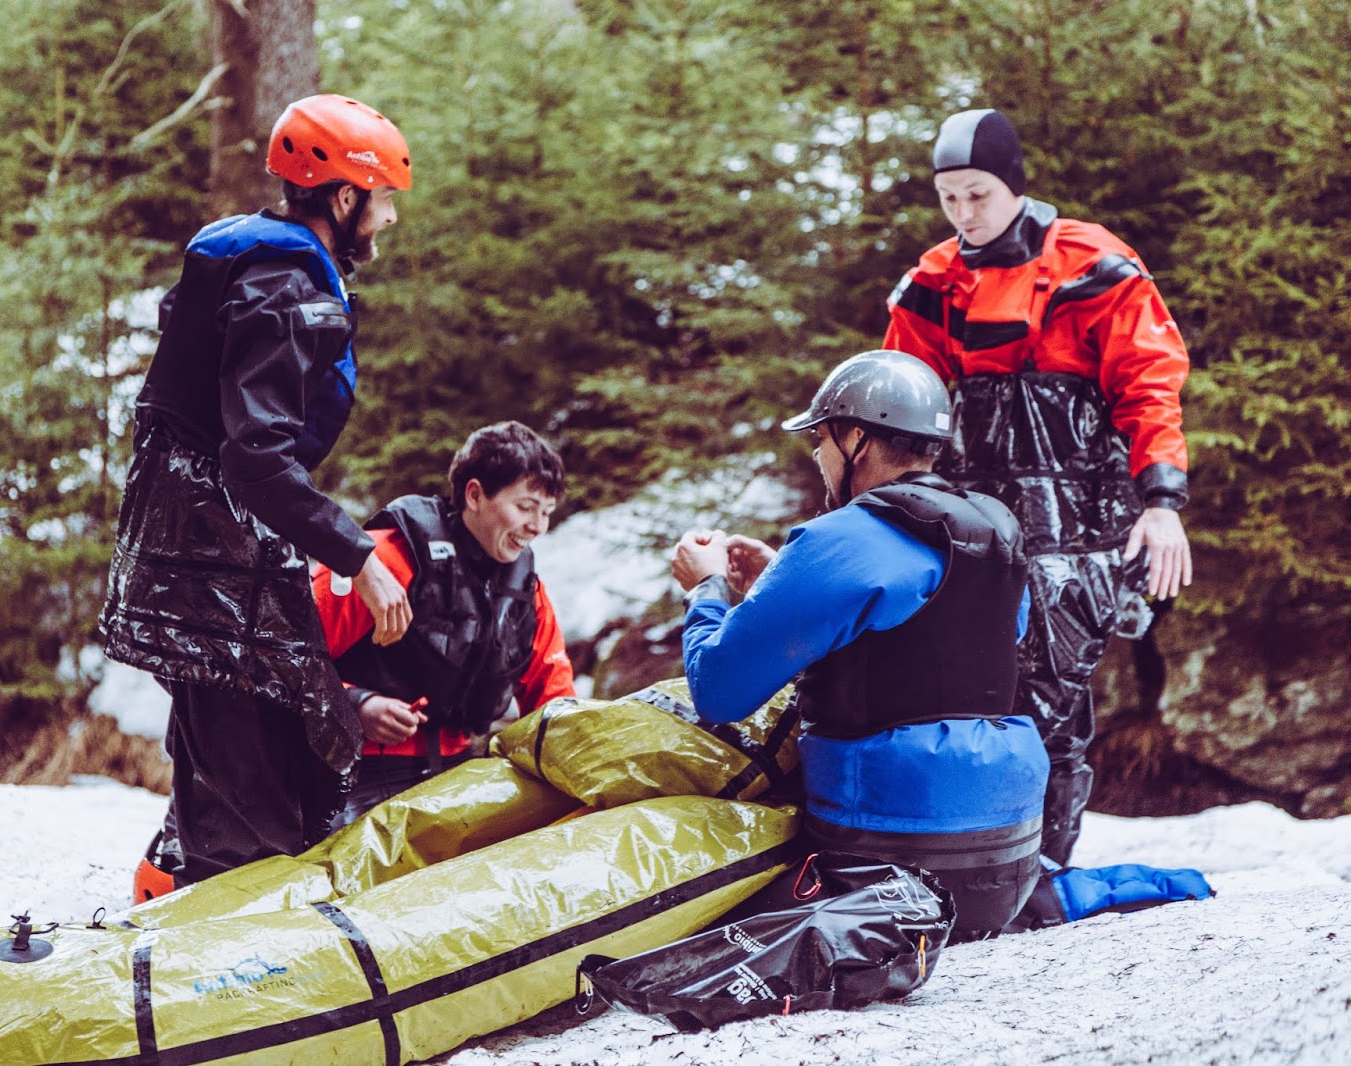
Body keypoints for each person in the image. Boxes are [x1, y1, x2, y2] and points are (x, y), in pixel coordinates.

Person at [100, 93, 415, 888]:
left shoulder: (259, 263)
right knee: (261, 770)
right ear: (344, 199)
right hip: (210, 556)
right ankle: (234, 963)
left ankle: (180, 893)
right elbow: (255, 460)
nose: (388, 221)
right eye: (382, 203)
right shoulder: (286, 291)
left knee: (273, 740)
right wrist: (360, 558)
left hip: (197, 546)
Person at [882, 107, 1194, 864]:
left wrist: (1162, 505)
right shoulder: (931, 283)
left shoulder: (1096, 264)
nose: (963, 213)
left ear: (1013, 185)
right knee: (972, 690)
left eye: (977, 194)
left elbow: (1150, 387)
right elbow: (896, 408)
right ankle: (982, 861)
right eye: (949, 196)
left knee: (1054, 694)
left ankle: (1043, 865)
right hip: (976, 520)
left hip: (1083, 523)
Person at [671, 349, 1049, 939]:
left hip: (888, 863)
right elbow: (948, 640)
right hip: (1007, 863)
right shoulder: (993, 526)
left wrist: (707, 590)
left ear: (855, 439)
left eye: (820, 440)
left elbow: (717, 690)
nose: (819, 457)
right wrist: (785, 586)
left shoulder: (839, 538)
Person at [132, 421, 577, 901]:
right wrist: (357, 705)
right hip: (352, 774)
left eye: (547, 512)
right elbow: (277, 660)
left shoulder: (525, 589)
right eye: (525, 507)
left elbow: (554, 694)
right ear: (474, 495)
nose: (537, 527)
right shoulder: (389, 562)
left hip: (454, 773)